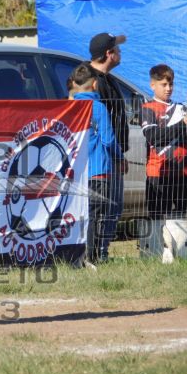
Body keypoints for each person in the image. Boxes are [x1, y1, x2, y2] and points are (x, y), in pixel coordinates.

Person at [71, 63, 123, 264]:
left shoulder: (69, 108)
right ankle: (92, 256)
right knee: (96, 215)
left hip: (76, 172)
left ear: (74, 84)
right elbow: (108, 140)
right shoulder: (98, 108)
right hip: (98, 170)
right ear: (94, 84)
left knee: (79, 214)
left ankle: (76, 254)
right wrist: (120, 157)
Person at [88, 32, 128, 258]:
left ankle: (102, 251)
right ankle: (96, 252)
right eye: (117, 49)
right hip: (101, 156)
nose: (120, 52)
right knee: (101, 207)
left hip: (114, 153)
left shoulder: (110, 79)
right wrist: (116, 154)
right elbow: (99, 124)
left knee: (114, 206)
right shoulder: (91, 81)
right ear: (108, 53)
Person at [140, 64, 187, 236]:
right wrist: (180, 126)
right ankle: (157, 248)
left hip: (184, 173)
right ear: (152, 85)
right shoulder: (147, 108)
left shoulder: (181, 108)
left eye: (171, 84)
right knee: (158, 221)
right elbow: (153, 136)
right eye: (163, 84)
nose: (168, 88)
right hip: (158, 173)